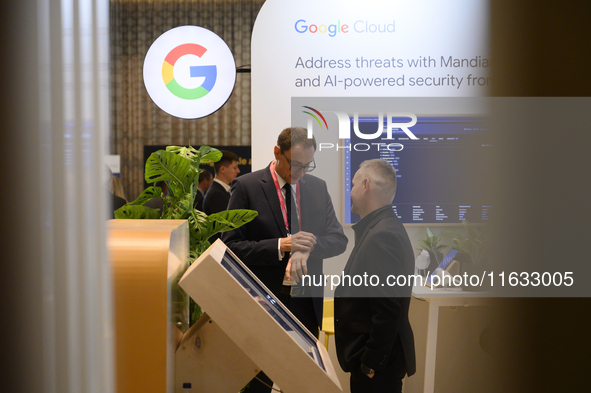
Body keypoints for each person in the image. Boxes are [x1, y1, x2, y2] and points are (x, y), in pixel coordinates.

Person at [223, 127, 348, 393]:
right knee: (258, 379)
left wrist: (309, 247)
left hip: (306, 301)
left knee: (304, 379)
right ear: (278, 152)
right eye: (295, 165)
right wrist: (281, 245)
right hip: (264, 299)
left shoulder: (317, 187)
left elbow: (338, 239)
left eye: (307, 166)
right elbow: (231, 245)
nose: (301, 173)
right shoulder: (247, 187)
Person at [334, 159, 416, 393]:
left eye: (352, 185)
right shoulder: (380, 228)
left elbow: (387, 310)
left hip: (375, 368)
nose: (349, 192)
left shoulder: (382, 236)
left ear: (365, 185)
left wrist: (371, 362)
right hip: (376, 362)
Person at [203, 150, 240, 215]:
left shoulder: (221, 191)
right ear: (222, 169)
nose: (238, 171)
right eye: (234, 168)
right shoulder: (216, 195)